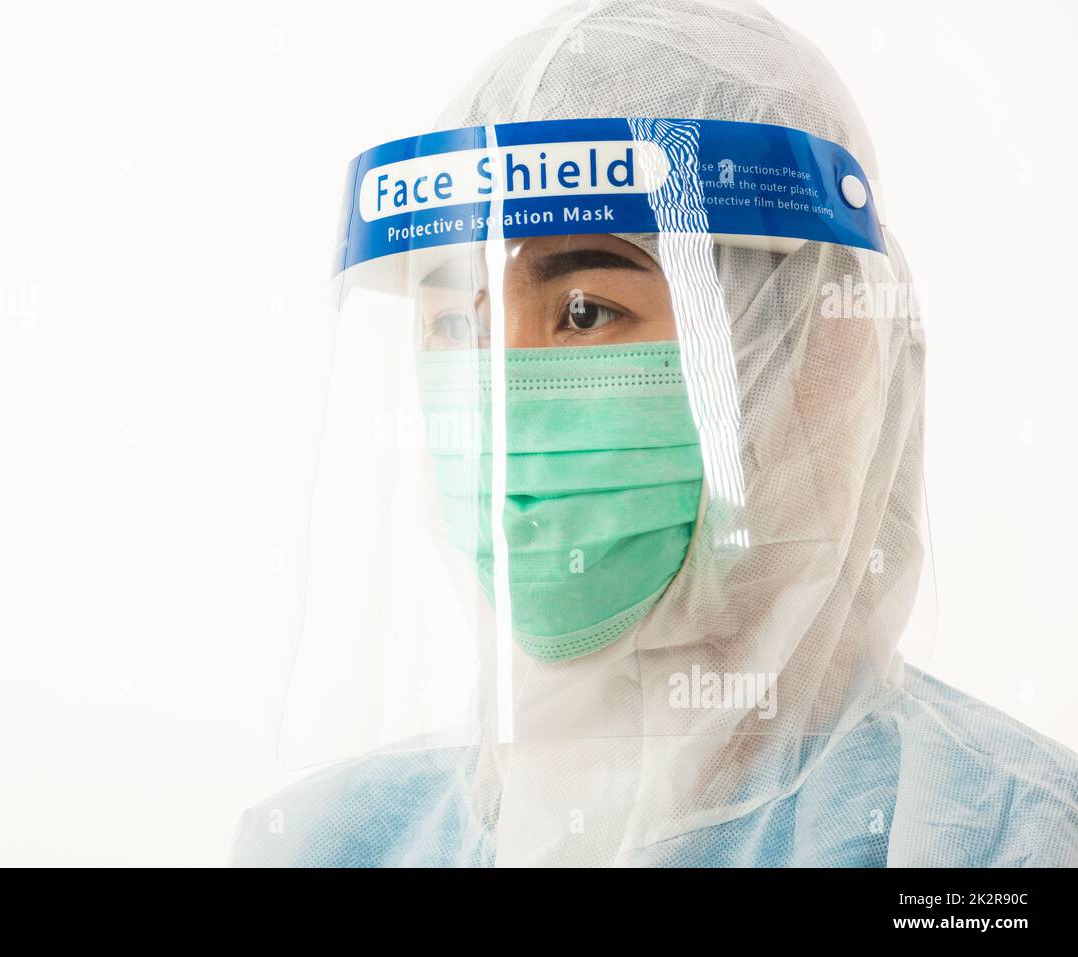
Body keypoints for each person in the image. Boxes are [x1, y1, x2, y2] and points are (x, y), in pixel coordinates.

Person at [233, 0, 1078, 867]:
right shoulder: (327, 844)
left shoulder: (1004, 848)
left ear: (820, 348)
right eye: (459, 327)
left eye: (584, 310)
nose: (503, 404)